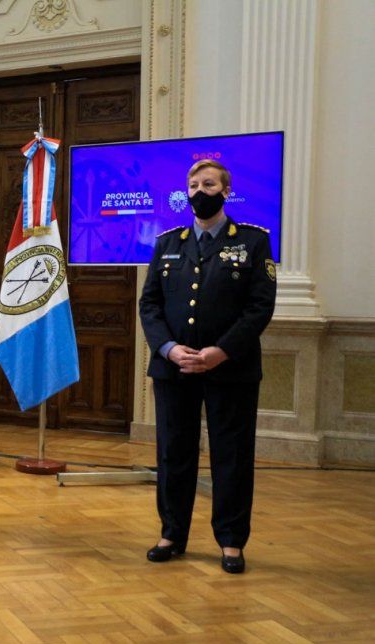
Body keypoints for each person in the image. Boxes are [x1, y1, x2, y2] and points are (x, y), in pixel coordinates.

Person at [138, 159, 277, 573]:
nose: (200, 191)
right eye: (193, 185)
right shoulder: (168, 243)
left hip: (230, 369)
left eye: (209, 184)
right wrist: (167, 348)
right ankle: (171, 534)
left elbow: (259, 308)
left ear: (225, 191)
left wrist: (220, 351)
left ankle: (232, 542)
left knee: (231, 456)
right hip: (174, 368)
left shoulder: (252, 242)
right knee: (173, 453)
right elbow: (150, 305)